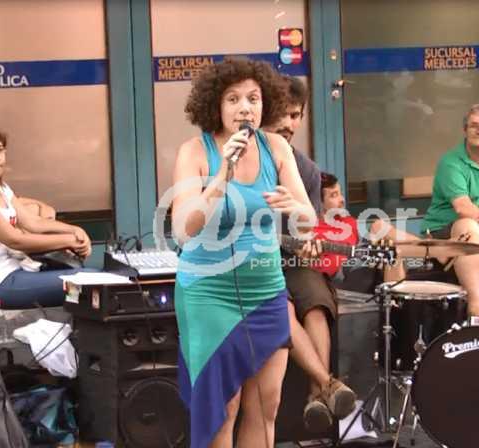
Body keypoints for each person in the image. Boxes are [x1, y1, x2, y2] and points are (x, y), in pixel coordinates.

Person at [171, 57, 316, 448]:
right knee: (225, 408)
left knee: (266, 405)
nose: (245, 108)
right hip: (209, 295)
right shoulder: (194, 152)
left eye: (253, 98)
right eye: (233, 99)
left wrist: (296, 209)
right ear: (215, 106)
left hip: (266, 292)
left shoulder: (277, 147)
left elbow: (308, 222)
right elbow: (183, 228)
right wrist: (222, 174)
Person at [264, 77, 355, 432]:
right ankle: (327, 385)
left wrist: (308, 243)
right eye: (282, 114)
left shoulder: (307, 170)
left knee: (316, 301)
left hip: (291, 258)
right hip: (254, 262)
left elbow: (308, 230)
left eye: (295, 115)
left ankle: (316, 395)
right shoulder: (248, 159)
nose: (289, 123)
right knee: (282, 306)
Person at [389, 104, 479, 316]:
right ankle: (475, 303)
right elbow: (463, 208)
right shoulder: (451, 162)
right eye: (474, 126)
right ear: (465, 131)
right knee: (469, 226)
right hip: (445, 229)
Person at [0, 124, 92, 309]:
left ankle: (73, 311)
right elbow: (15, 240)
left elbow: (33, 222)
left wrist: (75, 230)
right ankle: (74, 309)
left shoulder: (0, 187)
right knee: (87, 284)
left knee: (85, 282)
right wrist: (68, 241)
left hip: (16, 272)